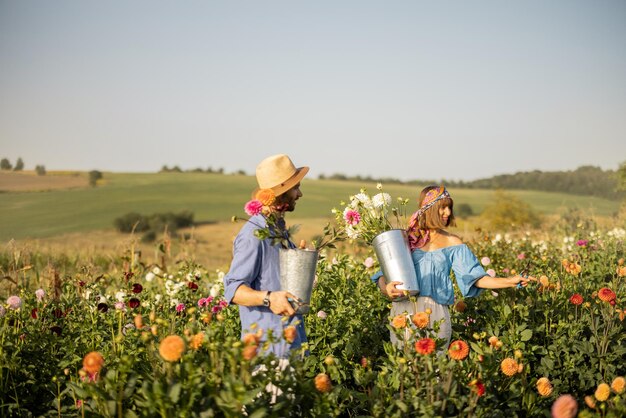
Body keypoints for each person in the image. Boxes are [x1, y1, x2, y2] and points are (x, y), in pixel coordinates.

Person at [372, 185, 535, 347]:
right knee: (405, 368)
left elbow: (476, 278)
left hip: (435, 313)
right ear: (429, 208)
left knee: (434, 370)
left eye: (449, 208)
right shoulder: (405, 239)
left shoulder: (453, 243)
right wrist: (385, 288)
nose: (448, 213)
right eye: (443, 208)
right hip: (404, 313)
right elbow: (382, 275)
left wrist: (510, 281)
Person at [223, 154, 309, 357]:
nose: (300, 194)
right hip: (267, 354)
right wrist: (269, 298)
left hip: (291, 345)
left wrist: (300, 262)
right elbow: (233, 289)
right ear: (282, 192)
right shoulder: (253, 234)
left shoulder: (279, 231)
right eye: (296, 188)